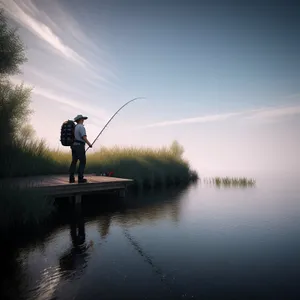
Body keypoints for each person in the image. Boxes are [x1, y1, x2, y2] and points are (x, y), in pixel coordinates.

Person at [69, 115, 93, 183]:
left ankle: (71, 178)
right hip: (79, 146)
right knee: (83, 161)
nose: (83, 120)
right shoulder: (81, 127)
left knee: (74, 161)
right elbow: (84, 137)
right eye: (83, 119)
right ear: (80, 120)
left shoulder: (75, 127)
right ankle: (80, 178)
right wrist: (89, 144)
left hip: (73, 146)